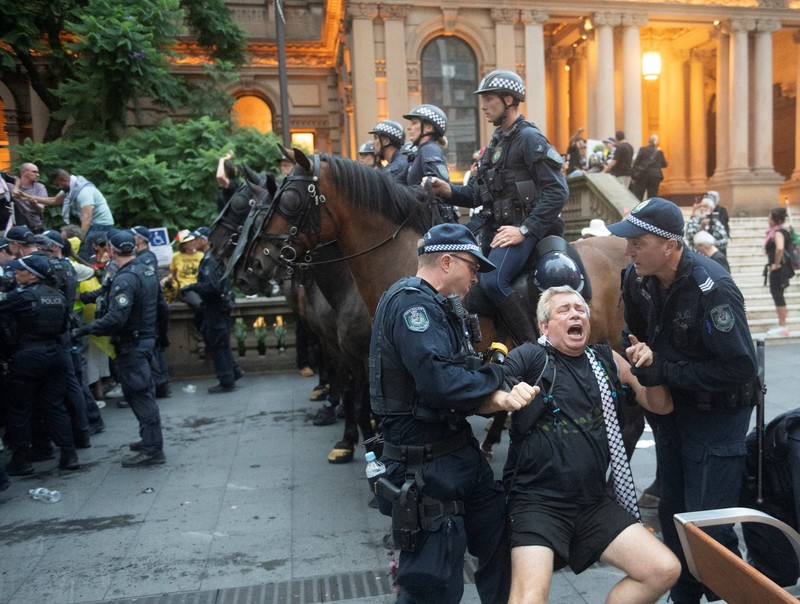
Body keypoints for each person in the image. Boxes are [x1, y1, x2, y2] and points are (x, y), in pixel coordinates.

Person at [369, 222, 537, 604]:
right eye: (473, 268)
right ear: (446, 262)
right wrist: (497, 376)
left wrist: (488, 371)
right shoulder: (413, 305)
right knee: (435, 582)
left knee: (501, 543)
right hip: (424, 466)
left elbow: (462, 368)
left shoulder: (441, 306)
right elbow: (442, 383)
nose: (477, 279)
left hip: (457, 453)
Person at [607, 197, 758, 604]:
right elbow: (638, 336)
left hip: (717, 416)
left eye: (638, 242)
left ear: (670, 245)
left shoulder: (712, 287)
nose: (628, 251)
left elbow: (741, 368)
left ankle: (730, 596)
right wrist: (640, 357)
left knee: (710, 528)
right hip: (673, 413)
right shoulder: (635, 278)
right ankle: (685, 598)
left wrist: (666, 371)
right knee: (674, 515)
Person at [502, 286, 680, 604]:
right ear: (544, 326)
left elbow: (660, 406)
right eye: (563, 310)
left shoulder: (605, 358)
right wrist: (504, 395)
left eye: (580, 308)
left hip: (593, 504)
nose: (575, 314)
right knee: (529, 597)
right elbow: (495, 382)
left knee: (663, 569)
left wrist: (649, 371)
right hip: (538, 503)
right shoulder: (531, 357)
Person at [426, 69, 569, 344]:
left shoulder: (529, 139)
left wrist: (524, 230)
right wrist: (447, 191)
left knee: (492, 281)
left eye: (489, 99)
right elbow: (477, 195)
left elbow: (557, 191)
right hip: (495, 227)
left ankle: (536, 346)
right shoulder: (496, 142)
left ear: (509, 99)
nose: (483, 106)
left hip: (527, 228)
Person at [72, 230, 166, 467]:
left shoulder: (125, 278)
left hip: (132, 344)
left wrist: (82, 330)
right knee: (141, 393)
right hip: (143, 340)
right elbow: (162, 308)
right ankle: (149, 440)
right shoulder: (145, 271)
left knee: (140, 395)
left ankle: (153, 449)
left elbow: (115, 319)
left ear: (112, 251)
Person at [1, 254, 79, 475]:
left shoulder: (22, 297)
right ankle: (68, 453)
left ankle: (21, 460)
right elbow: (64, 326)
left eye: (19, 271)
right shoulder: (58, 295)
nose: (15, 274)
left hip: (29, 355)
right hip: (56, 354)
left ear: (31, 275)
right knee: (55, 405)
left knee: (19, 409)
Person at [181, 229, 243, 393]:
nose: (193, 242)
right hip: (217, 309)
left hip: (216, 310)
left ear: (205, 240)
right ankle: (233, 372)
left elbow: (212, 288)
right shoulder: (211, 258)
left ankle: (227, 381)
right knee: (219, 343)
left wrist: (192, 287)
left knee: (218, 346)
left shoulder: (210, 261)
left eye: (196, 238)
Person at [20, 169, 115, 261]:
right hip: (92, 224)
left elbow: (87, 217)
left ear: (65, 180)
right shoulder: (71, 188)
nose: (57, 188)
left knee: (88, 254)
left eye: (58, 185)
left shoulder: (84, 192)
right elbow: (54, 200)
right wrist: (29, 198)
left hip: (101, 226)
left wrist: (80, 239)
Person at [132, 225, 172, 397]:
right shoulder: (147, 257)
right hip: (155, 306)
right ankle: (162, 384)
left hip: (152, 308)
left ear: (140, 239)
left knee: (154, 349)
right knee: (156, 348)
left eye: (134, 236)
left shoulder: (145, 258)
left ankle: (160, 384)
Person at [764, 206, 794, 336]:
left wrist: (776, 264)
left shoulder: (778, 233)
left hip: (779, 270)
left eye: (769, 217)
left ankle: (783, 325)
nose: (768, 219)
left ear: (774, 219)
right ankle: (782, 324)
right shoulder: (781, 231)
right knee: (778, 295)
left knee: (778, 296)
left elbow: (780, 248)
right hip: (782, 269)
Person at [9, 162, 46, 232]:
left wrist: (33, 202)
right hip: (16, 226)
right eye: (34, 172)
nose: (37, 175)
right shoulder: (11, 187)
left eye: (37, 172)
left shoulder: (39, 187)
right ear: (24, 172)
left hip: (35, 225)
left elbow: (42, 209)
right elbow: (9, 177)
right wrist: (16, 188)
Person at [629, 134, 668, 201]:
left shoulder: (642, 149)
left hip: (642, 175)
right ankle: (651, 210)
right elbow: (664, 164)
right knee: (652, 196)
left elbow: (636, 162)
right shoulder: (659, 152)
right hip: (655, 175)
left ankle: (637, 210)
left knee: (638, 195)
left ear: (649, 141)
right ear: (656, 141)